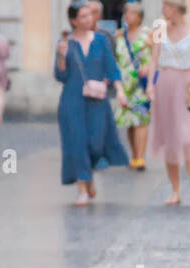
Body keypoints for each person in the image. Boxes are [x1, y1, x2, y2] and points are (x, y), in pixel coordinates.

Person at [55, 2, 130, 205]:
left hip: (97, 102)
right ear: (73, 21)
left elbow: (112, 68)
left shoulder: (101, 41)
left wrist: (121, 92)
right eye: (84, 16)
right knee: (76, 142)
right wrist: (62, 57)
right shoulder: (66, 44)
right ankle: (83, 187)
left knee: (96, 144)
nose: (89, 19)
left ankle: (88, 177)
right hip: (72, 101)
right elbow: (60, 75)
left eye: (90, 15)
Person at [148, 0, 190, 205]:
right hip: (165, 82)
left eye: (165, 6)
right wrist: (150, 84)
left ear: (175, 8)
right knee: (170, 137)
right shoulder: (159, 28)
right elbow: (154, 59)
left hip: (186, 83)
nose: (162, 10)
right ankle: (175, 190)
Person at [114, 2, 151, 170]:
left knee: (141, 120)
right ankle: (134, 155)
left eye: (131, 13)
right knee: (129, 120)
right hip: (125, 84)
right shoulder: (119, 36)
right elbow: (115, 58)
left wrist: (149, 67)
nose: (127, 16)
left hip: (141, 85)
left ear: (139, 16)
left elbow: (157, 57)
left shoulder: (147, 35)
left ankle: (141, 158)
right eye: (126, 13)